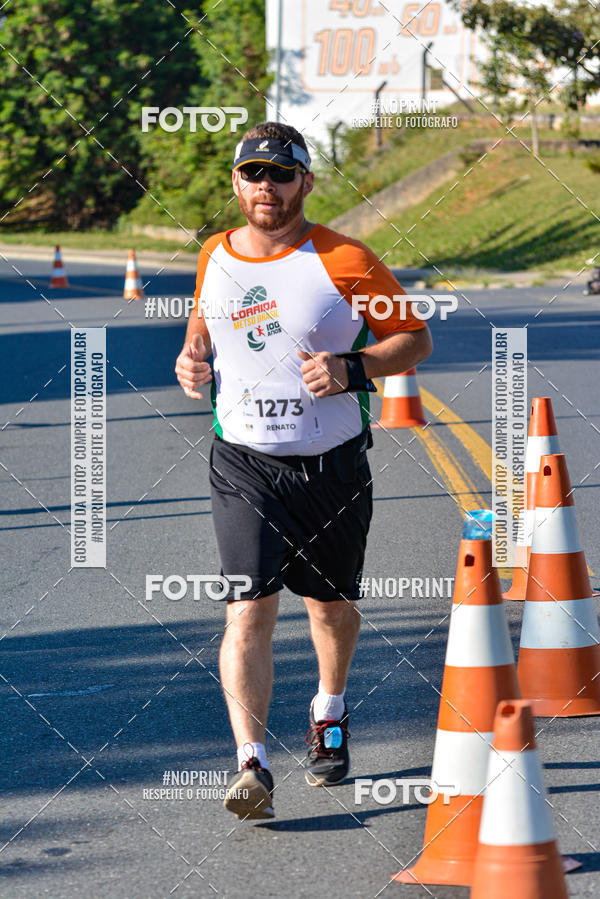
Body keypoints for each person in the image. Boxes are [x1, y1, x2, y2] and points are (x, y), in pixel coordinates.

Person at [175, 121, 432, 820]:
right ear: (235, 182)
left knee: (330, 606)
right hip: (244, 464)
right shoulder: (215, 255)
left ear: (306, 182)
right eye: (253, 173)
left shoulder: (347, 258)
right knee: (247, 608)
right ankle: (251, 763)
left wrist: (354, 367)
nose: (267, 186)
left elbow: (414, 337)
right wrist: (191, 354)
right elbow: (205, 324)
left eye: (281, 174)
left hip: (331, 466)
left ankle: (329, 708)